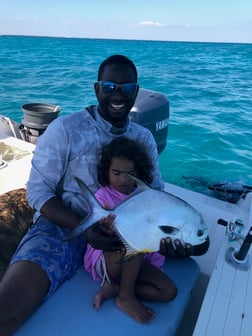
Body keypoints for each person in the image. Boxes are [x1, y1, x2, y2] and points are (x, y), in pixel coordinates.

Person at [0, 54, 209, 335]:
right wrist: (84, 229)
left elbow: (155, 196)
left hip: (123, 231)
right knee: (8, 310)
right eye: (110, 86)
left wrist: (168, 239)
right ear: (97, 88)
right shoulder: (65, 129)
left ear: (136, 91)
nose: (117, 94)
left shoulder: (144, 138)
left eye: (126, 87)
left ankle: (117, 289)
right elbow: (38, 192)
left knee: (199, 246)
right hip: (62, 226)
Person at [84, 137, 177, 323]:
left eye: (131, 173)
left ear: (139, 173)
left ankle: (116, 289)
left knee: (169, 292)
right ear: (106, 172)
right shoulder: (103, 196)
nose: (124, 179)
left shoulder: (146, 198)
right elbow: (98, 231)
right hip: (108, 258)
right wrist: (106, 229)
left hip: (137, 261)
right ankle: (125, 297)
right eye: (116, 173)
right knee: (134, 242)